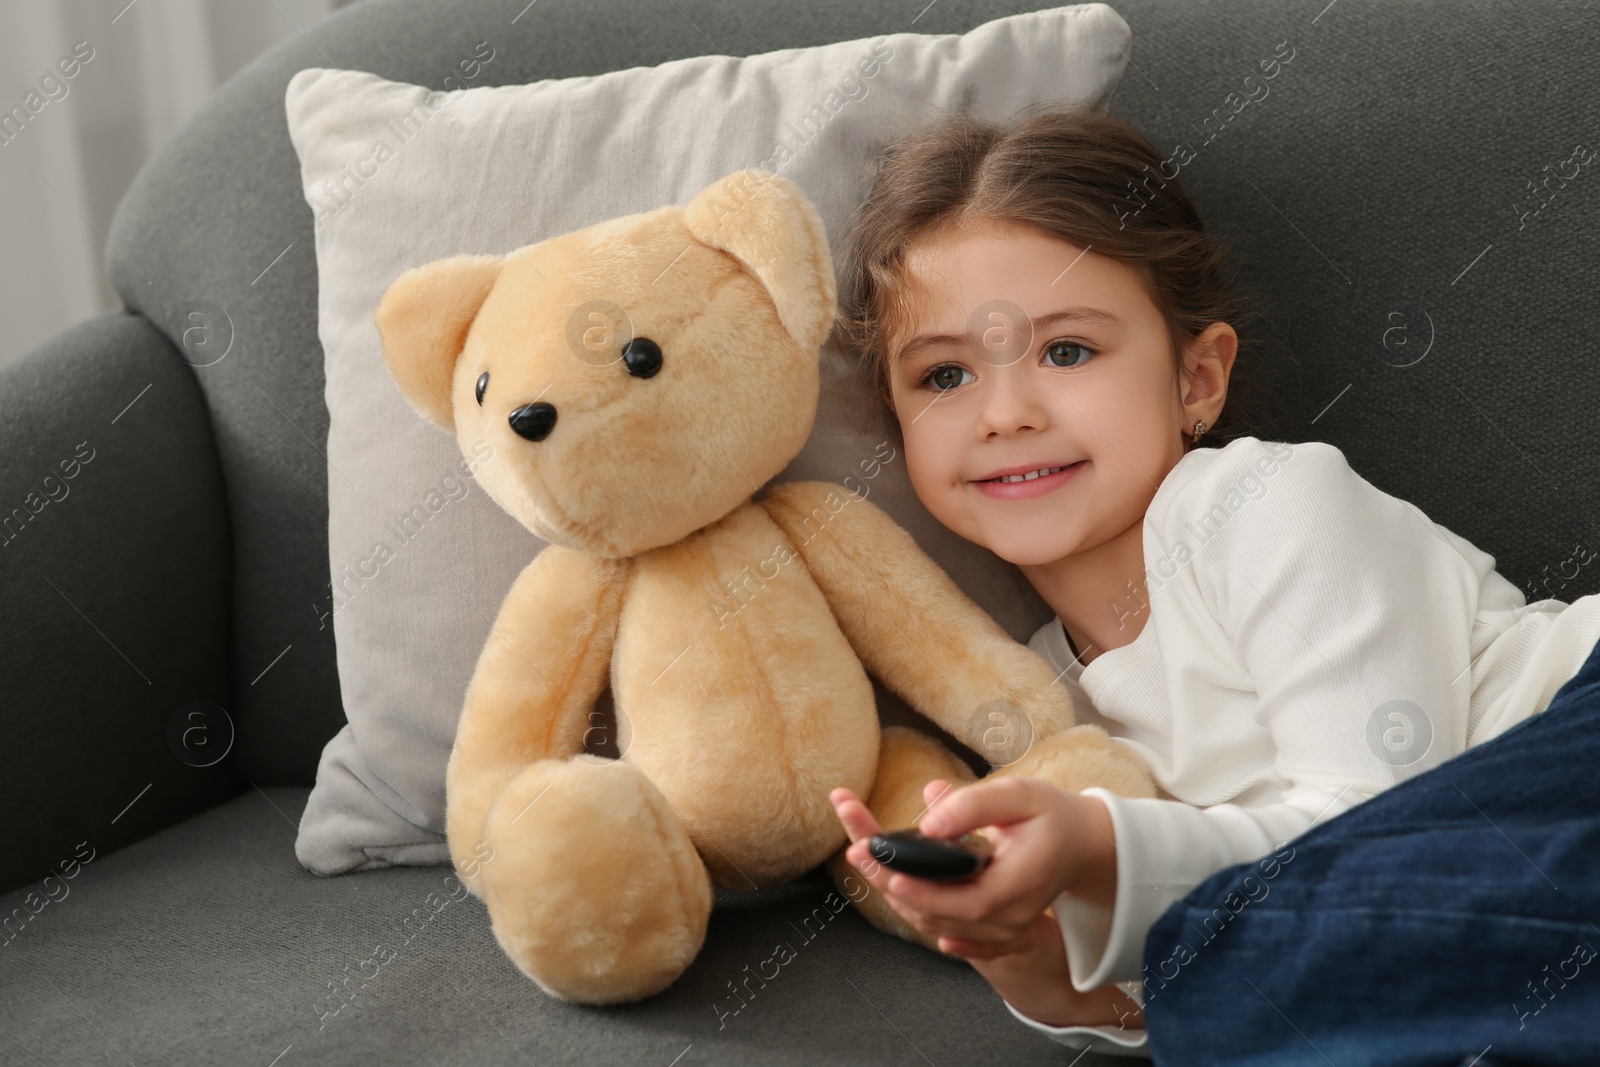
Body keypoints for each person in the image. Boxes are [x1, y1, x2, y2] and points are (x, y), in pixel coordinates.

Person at [825, 104, 1600, 1063]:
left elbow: (1369, 845)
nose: (1007, 413)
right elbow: (1270, 960)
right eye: (944, 375)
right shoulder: (1032, 695)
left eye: (1067, 351)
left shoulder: (1263, 501)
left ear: (1198, 380)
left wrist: (1103, 848)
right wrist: (1056, 983)